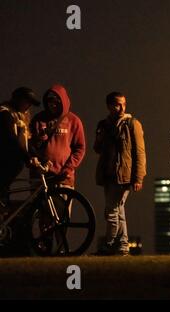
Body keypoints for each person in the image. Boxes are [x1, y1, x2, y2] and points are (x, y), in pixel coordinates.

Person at [94, 92, 146, 256]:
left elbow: (140, 152)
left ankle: (109, 245)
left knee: (111, 211)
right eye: (118, 104)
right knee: (118, 210)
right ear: (109, 106)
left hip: (124, 175)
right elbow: (97, 149)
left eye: (124, 104)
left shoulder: (132, 124)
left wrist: (138, 177)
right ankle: (123, 246)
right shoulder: (104, 124)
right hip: (108, 175)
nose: (122, 107)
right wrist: (101, 135)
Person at [29, 84, 86, 189]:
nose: (52, 104)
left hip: (63, 179)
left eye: (56, 101)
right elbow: (30, 145)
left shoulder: (73, 121)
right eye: (49, 100)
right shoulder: (38, 119)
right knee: (38, 205)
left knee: (61, 205)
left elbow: (80, 148)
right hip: (40, 177)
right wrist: (42, 137)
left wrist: (67, 168)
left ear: (63, 100)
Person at [0, 87, 41, 200]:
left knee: (4, 190)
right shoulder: (5, 114)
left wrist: (39, 157)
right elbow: (12, 139)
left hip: (10, 161)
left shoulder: (20, 117)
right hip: (3, 160)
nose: (29, 106)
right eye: (27, 102)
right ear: (18, 100)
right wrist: (28, 158)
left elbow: (26, 142)